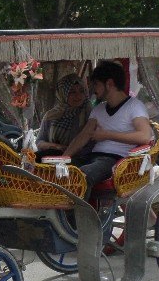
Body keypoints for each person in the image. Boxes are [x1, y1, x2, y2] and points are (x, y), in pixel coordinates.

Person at [64, 60, 153, 193]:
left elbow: (145, 136)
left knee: (83, 175)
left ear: (109, 84)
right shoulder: (98, 109)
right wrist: (63, 158)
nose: (93, 89)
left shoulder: (134, 106)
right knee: (61, 170)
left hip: (117, 160)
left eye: (96, 84)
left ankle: (78, 214)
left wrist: (107, 135)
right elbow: (83, 136)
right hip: (94, 157)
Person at [36, 75, 89, 157]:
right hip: (52, 155)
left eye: (81, 91)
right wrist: (57, 147)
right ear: (62, 93)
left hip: (79, 159)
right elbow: (39, 141)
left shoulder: (88, 113)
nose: (78, 96)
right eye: (72, 92)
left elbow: (91, 145)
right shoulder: (51, 115)